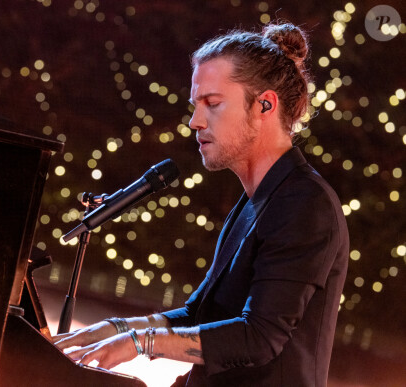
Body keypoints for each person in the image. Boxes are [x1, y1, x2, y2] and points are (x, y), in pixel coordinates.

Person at [53, 22, 349, 386]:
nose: (195, 121)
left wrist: (140, 343)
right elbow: (200, 311)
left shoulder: (305, 204)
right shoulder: (258, 200)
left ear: (265, 105)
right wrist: (116, 328)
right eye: (197, 105)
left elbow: (258, 338)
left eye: (212, 104)